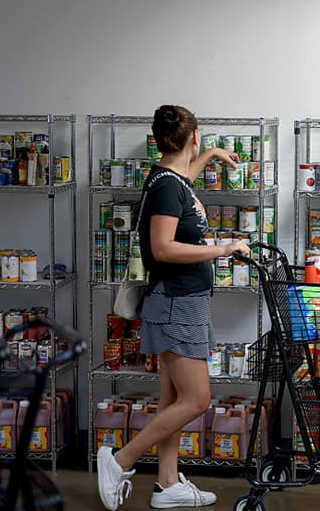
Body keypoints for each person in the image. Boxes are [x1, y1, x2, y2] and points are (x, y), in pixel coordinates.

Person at [97, 105, 250, 510]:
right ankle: (119, 461)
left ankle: (168, 485)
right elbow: (162, 247)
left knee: (171, 400)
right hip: (175, 304)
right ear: (192, 135)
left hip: (187, 302)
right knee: (197, 400)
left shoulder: (170, 177)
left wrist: (211, 155)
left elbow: (184, 179)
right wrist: (222, 248)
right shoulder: (167, 185)